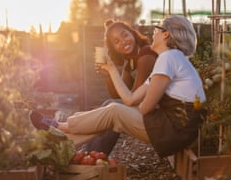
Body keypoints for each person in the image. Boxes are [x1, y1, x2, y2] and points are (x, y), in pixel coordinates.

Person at [30, 15, 206, 158]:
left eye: (157, 29)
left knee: (113, 111)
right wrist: (110, 72)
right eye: (116, 41)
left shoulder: (165, 59)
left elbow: (141, 106)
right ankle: (65, 144)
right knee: (112, 110)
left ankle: (61, 127)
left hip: (174, 132)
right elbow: (128, 98)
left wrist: (116, 75)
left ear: (166, 35)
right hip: (170, 128)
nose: (153, 32)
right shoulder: (167, 60)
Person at [80, 19, 157, 155]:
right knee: (109, 104)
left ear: (132, 33)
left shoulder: (146, 54)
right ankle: (88, 153)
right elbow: (116, 95)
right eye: (116, 42)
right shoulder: (130, 62)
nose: (123, 42)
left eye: (125, 35)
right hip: (144, 109)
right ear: (113, 48)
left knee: (112, 108)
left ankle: (92, 154)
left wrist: (112, 71)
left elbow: (133, 98)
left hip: (155, 113)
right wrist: (107, 76)